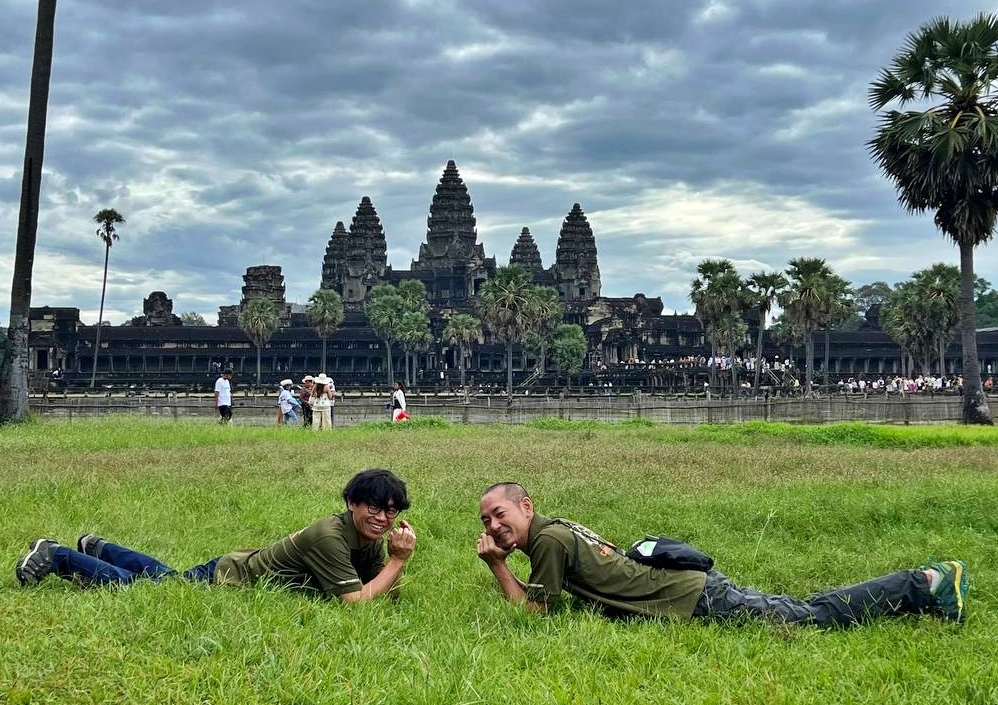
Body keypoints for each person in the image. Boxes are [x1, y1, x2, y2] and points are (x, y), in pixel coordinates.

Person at [476, 483, 968, 627]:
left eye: (500, 514)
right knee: (803, 608)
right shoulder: (554, 532)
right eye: (486, 522)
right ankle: (922, 591)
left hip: (693, 598)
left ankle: (922, 582)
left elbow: (536, 611)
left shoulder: (546, 542)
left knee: (811, 617)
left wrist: (498, 563)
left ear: (527, 507)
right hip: (692, 590)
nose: (495, 526)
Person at [15, 469, 417, 603]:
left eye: (391, 510)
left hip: (236, 565)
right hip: (233, 579)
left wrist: (390, 560)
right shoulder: (330, 535)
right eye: (374, 507)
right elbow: (355, 601)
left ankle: (99, 548)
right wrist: (399, 561)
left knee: (163, 578)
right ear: (351, 503)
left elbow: (382, 590)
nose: (383, 518)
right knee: (142, 589)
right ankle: (60, 555)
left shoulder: (365, 536)